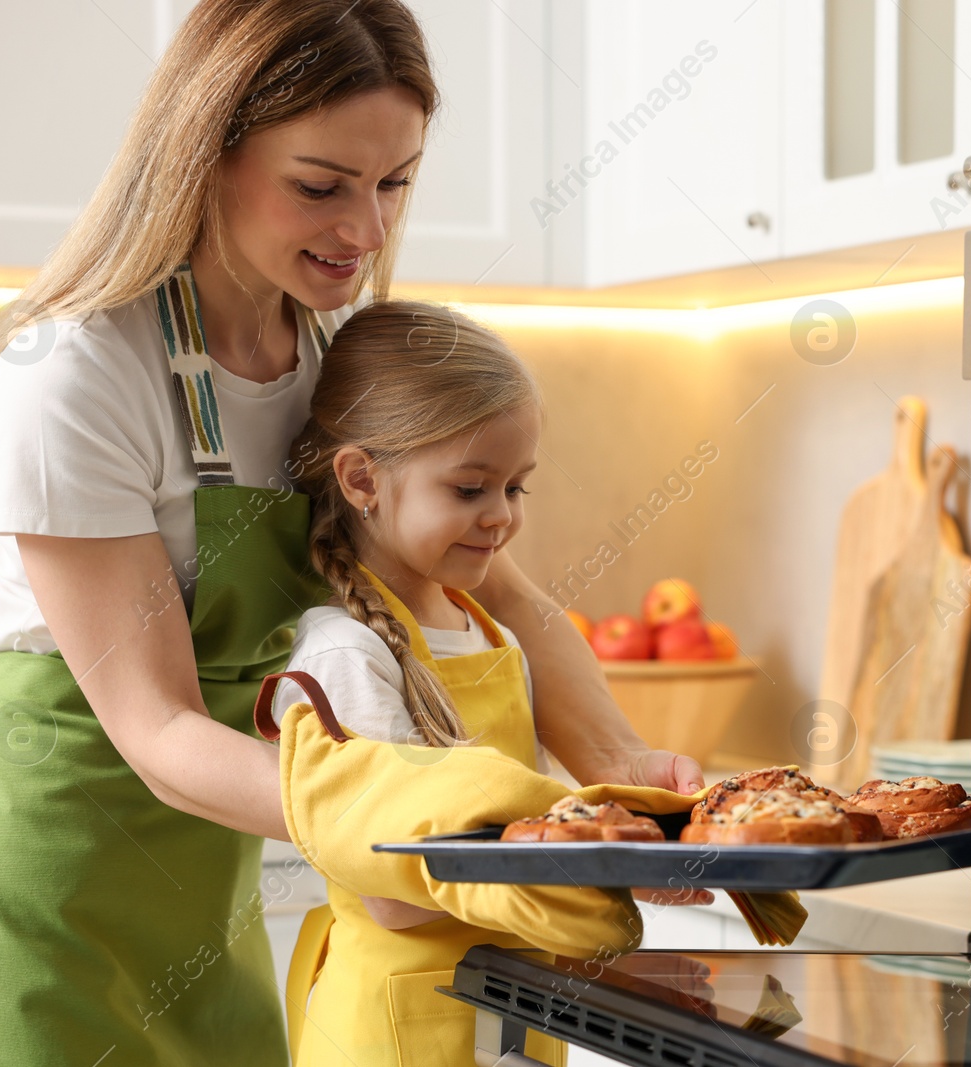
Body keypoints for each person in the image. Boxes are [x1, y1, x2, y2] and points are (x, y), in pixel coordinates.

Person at [0, 2, 703, 1064]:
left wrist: (620, 773)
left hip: (207, 889)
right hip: (46, 886)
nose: (367, 231)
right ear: (205, 151)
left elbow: (503, 593)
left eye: (394, 182)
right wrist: (446, 823)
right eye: (320, 185)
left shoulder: (334, 364)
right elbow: (161, 732)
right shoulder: (77, 371)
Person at [261, 299, 675, 1066]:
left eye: (516, 487)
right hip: (396, 1028)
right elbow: (390, 884)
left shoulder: (492, 634)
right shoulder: (343, 655)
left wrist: (633, 825)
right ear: (361, 479)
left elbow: (521, 820)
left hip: (509, 1011)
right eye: (469, 489)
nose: (501, 517)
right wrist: (586, 872)